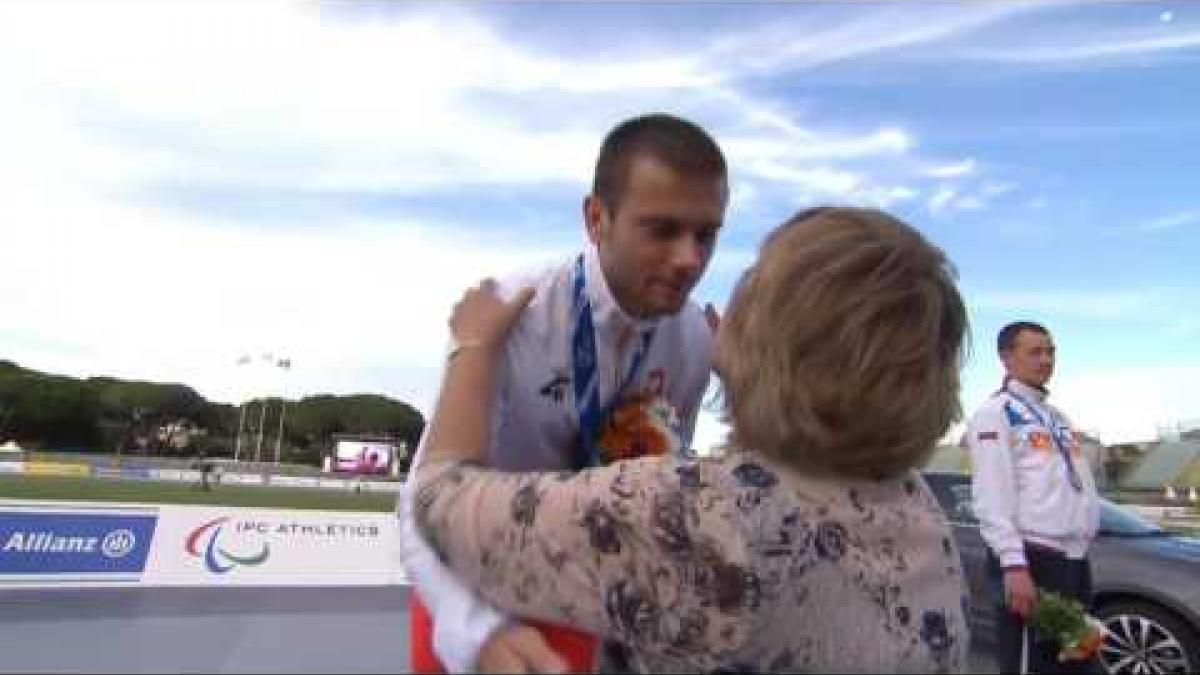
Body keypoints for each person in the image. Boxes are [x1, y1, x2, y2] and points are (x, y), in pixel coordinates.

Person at [412, 207, 972, 673]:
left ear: (772, 341)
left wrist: (475, 349)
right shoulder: (919, 512)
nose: (695, 265)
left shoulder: (691, 516)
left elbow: (439, 498)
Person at [398, 113, 728, 673]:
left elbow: (664, 488)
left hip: (595, 609)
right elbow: (419, 504)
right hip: (478, 596)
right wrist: (478, 636)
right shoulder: (512, 312)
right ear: (597, 218)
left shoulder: (695, 336)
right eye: (662, 230)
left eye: (707, 234)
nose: (689, 260)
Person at [967, 321, 1100, 674]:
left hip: (1072, 562)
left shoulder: (1057, 417)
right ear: (1007, 359)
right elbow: (992, 495)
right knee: (1032, 665)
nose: (1046, 360)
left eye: (1051, 351)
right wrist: (1013, 564)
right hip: (1031, 561)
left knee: (1073, 662)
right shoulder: (994, 414)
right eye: (1035, 352)